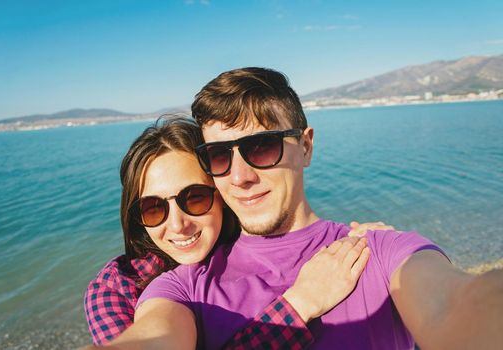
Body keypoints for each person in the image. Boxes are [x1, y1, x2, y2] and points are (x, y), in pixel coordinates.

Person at [90, 67, 503, 350]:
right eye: (218, 156)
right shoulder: (182, 286)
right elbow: (152, 337)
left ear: (305, 146)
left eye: (261, 147)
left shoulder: (377, 251)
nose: (240, 176)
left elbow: (457, 303)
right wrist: (299, 303)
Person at [83, 115, 391, 347]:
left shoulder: (243, 250)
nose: (177, 225)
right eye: (153, 208)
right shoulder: (115, 289)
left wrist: (372, 242)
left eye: (195, 197)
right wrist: (301, 303)